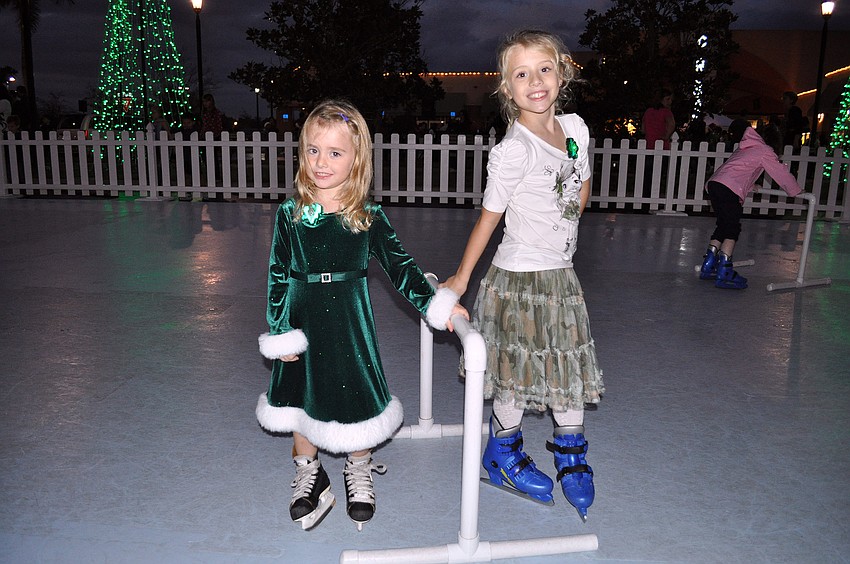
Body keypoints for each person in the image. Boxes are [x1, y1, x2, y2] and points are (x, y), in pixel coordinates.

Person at [256, 99, 467, 531]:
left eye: (335, 152)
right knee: (299, 398)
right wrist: (280, 331)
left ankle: (358, 467)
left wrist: (436, 303)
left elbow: (401, 267)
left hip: (349, 321)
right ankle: (309, 472)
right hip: (302, 317)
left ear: (357, 158)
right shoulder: (289, 213)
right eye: (314, 150)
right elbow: (277, 274)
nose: (322, 161)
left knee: (354, 390)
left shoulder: (367, 217)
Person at [442, 29, 604, 522]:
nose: (535, 81)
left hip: (561, 277)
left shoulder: (576, 128)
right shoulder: (514, 150)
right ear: (506, 90)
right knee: (515, 373)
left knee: (566, 368)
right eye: (521, 74)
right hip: (518, 280)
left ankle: (571, 455)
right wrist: (461, 278)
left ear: (563, 74)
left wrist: (567, 214)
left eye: (544, 69)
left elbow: (583, 181)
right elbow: (488, 218)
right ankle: (503, 449)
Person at [699, 120, 803, 289]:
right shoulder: (765, 151)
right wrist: (795, 189)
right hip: (727, 189)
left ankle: (709, 263)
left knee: (724, 225)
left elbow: (738, 171)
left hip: (714, 185)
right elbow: (780, 172)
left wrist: (750, 185)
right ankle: (725, 270)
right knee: (733, 227)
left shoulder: (747, 147)